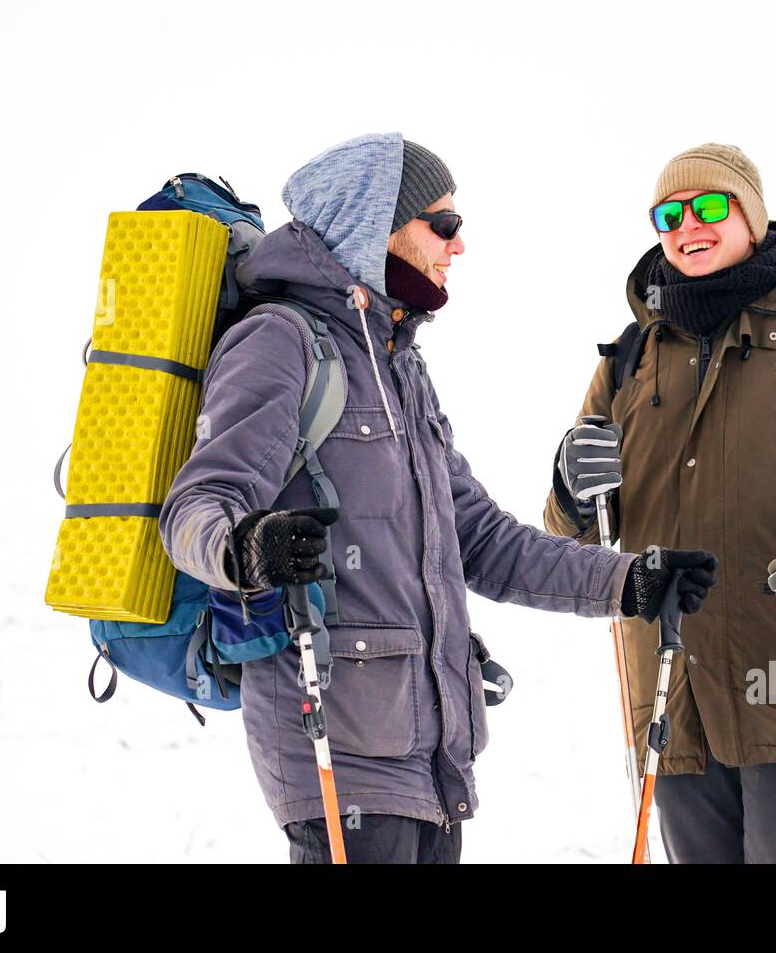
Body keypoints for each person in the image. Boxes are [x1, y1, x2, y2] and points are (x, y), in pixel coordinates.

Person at [159, 133, 717, 864]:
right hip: (335, 742)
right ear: (373, 226)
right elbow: (198, 505)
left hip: (430, 754)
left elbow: (480, 539)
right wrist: (248, 546)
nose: (458, 246)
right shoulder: (280, 341)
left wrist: (627, 580)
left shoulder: (397, 364)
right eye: (442, 225)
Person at [543, 143, 776, 863]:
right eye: (670, 213)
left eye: (711, 206)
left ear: (750, 214)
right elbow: (576, 536)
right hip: (667, 688)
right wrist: (569, 485)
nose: (690, 223)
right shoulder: (627, 358)